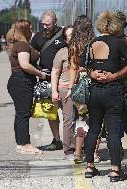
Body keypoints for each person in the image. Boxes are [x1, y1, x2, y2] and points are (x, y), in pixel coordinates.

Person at [78, 11, 127, 182]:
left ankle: (89, 167)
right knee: (112, 131)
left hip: (95, 93)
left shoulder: (91, 44)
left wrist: (93, 74)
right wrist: (114, 75)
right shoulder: (118, 43)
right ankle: (115, 171)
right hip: (113, 92)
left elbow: (83, 66)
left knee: (94, 129)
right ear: (115, 26)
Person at [7, 19, 47, 154]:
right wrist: (40, 74)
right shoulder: (23, 45)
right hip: (22, 82)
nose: (31, 30)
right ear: (24, 30)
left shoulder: (20, 44)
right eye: (29, 28)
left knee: (20, 114)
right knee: (23, 114)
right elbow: (24, 64)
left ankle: (20, 143)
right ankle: (26, 144)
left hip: (18, 81)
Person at [31, 10, 66, 151]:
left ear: (55, 22)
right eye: (43, 24)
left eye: (48, 24)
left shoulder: (64, 35)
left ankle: (72, 141)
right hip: (46, 80)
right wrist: (38, 70)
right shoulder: (37, 37)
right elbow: (31, 56)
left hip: (64, 79)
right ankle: (57, 140)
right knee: (50, 112)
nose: (45, 27)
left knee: (69, 112)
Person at [67, 15, 96, 164]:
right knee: (96, 120)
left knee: (80, 119)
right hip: (95, 84)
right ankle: (94, 154)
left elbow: (73, 68)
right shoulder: (95, 43)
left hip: (81, 86)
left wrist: (71, 87)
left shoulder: (73, 45)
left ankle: (78, 153)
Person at [51, 26, 75, 160]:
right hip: (65, 90)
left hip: (82, 89)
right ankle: (68, 150)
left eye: (74, 34)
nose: (73, 37)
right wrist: (54, 91)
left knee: (83, 120)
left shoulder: (83, 50)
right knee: (69, 120)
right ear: (65, 39)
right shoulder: (61, 52)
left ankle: (80, 148)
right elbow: (55, 72)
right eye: (70, 35)